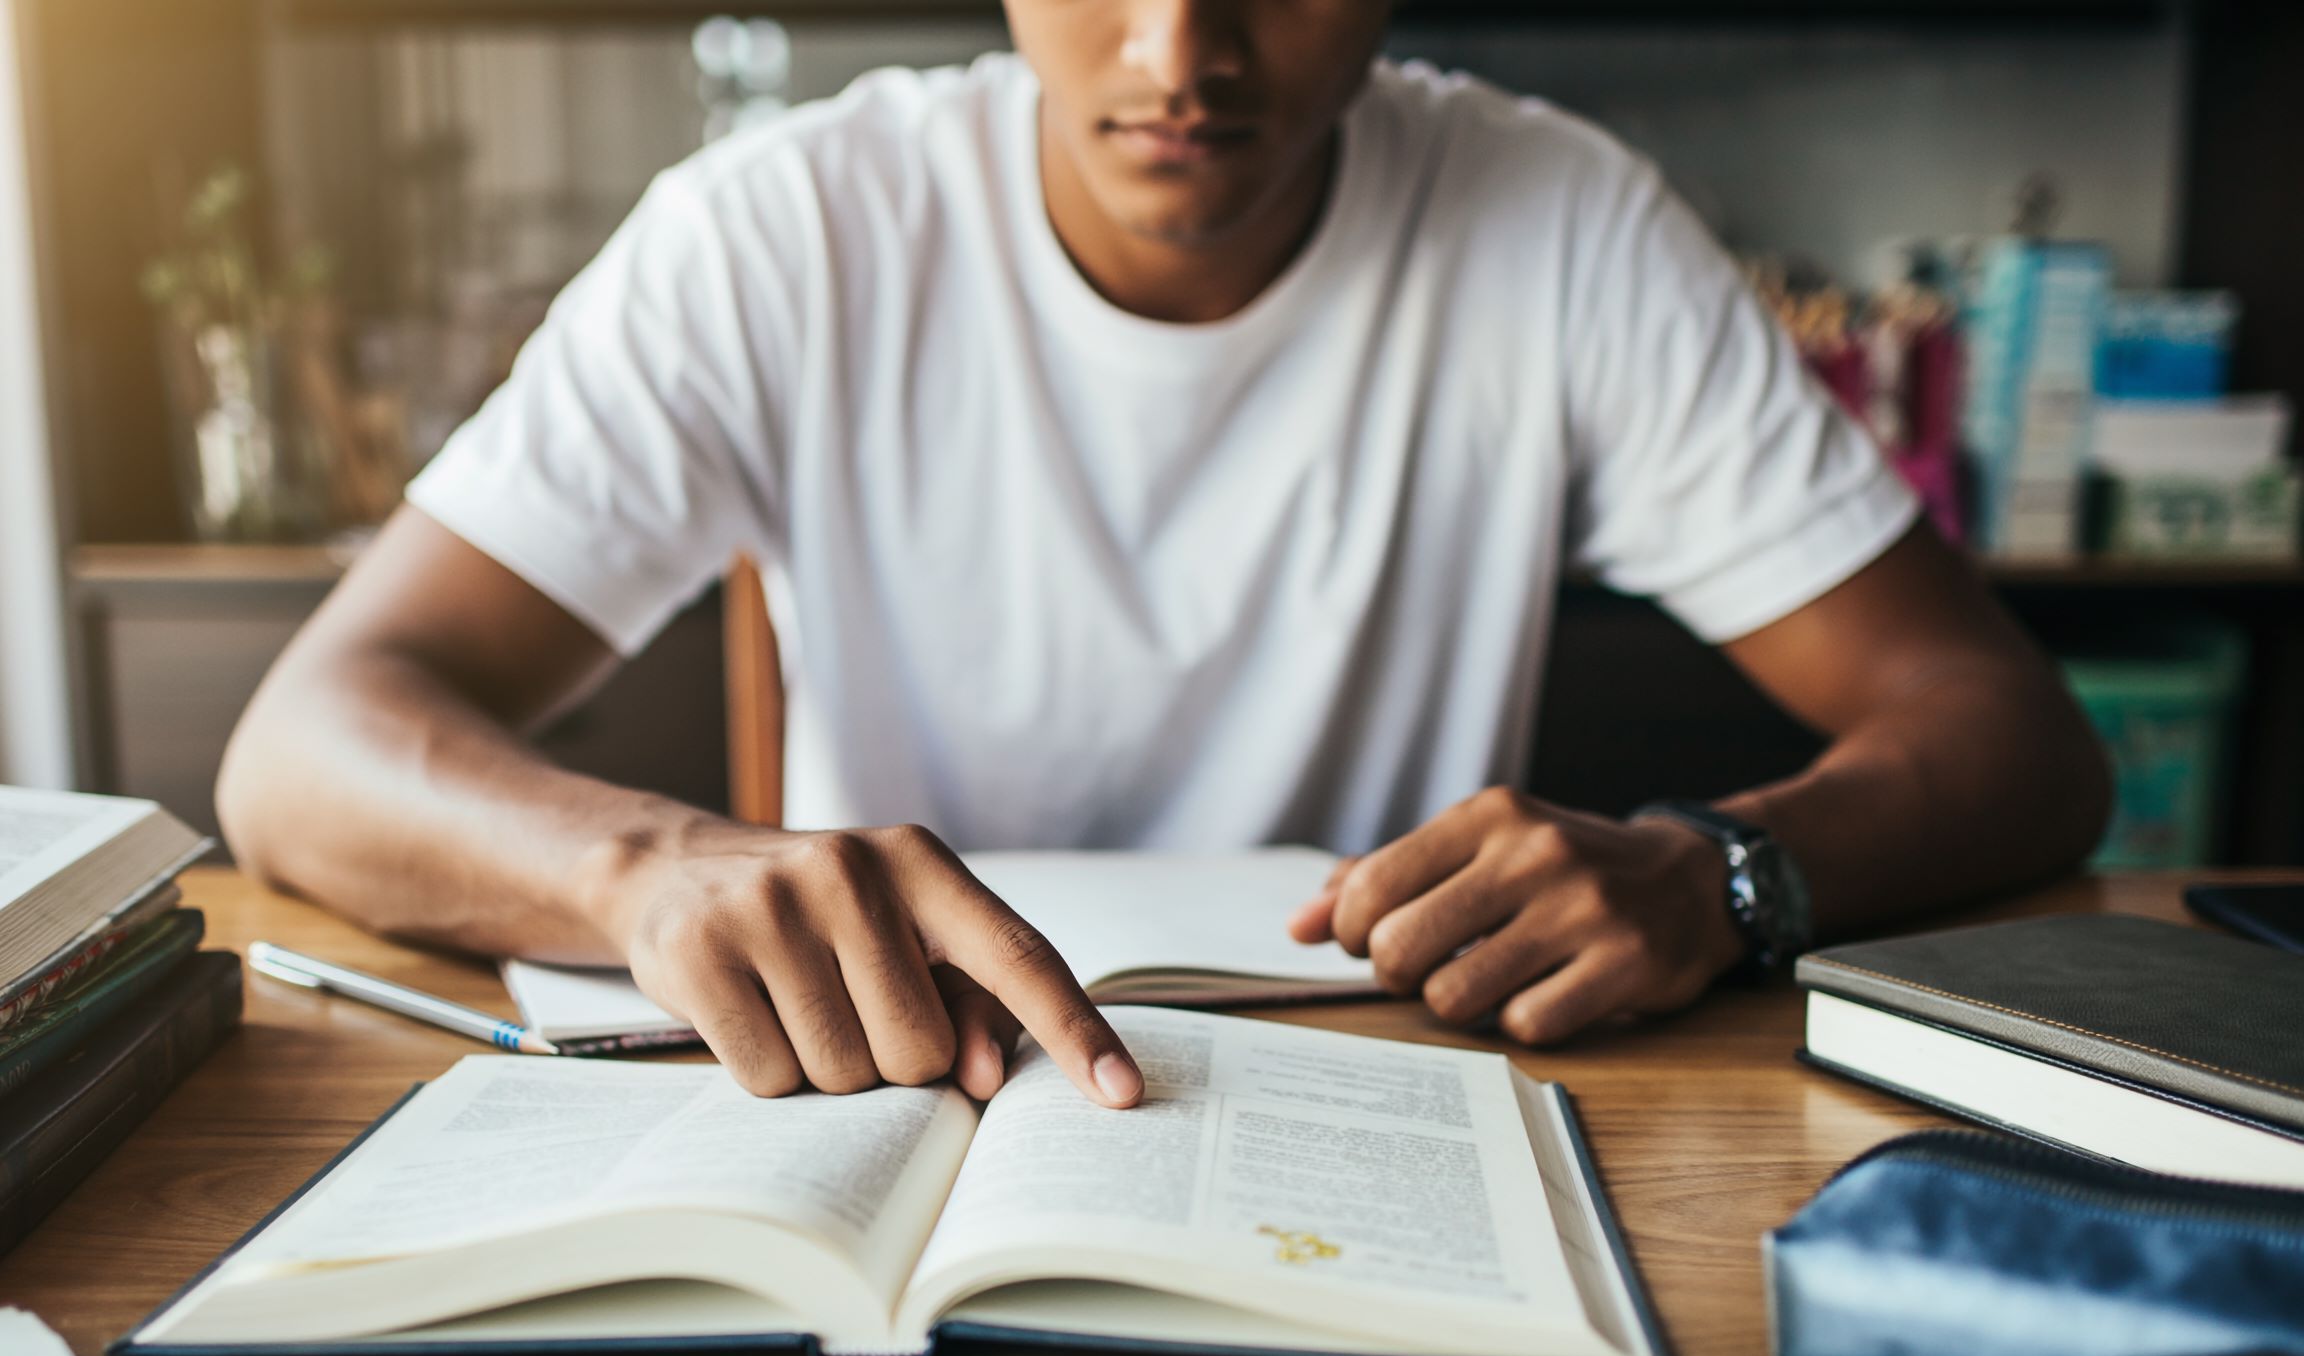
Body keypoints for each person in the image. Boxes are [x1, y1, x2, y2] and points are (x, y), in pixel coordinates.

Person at [217, 0, 2110, 1112]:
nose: (1180, 50)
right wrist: (643, 867)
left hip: (1400, 1097)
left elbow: (2014, 735)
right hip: (889, 1091)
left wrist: (1720, 873)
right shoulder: (784, 232)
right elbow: (303, 747)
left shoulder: (1559, 226)